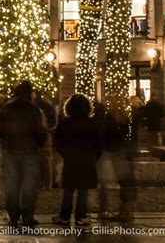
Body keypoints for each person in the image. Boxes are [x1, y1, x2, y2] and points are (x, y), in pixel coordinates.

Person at [0, 80, 47, 231]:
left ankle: (13, 217)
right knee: (29, 186)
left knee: (12, 185)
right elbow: (39, 131)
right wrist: (41, 142)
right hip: (30, 151)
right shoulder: (34, 109)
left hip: (11, 150)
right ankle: (28, 217)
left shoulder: (6, 108)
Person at [52, 93, 102, 228]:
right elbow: (98, 145)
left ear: (69, 107)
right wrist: (93, 157)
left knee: (68, 189)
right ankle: (81, 216)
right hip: (87, 160)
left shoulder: (64, 123)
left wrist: (65, 154)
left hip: (71, 159)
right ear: (87, 107)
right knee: (83, 190)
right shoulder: (92, 124)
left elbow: (57, 142)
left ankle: (64, 216)